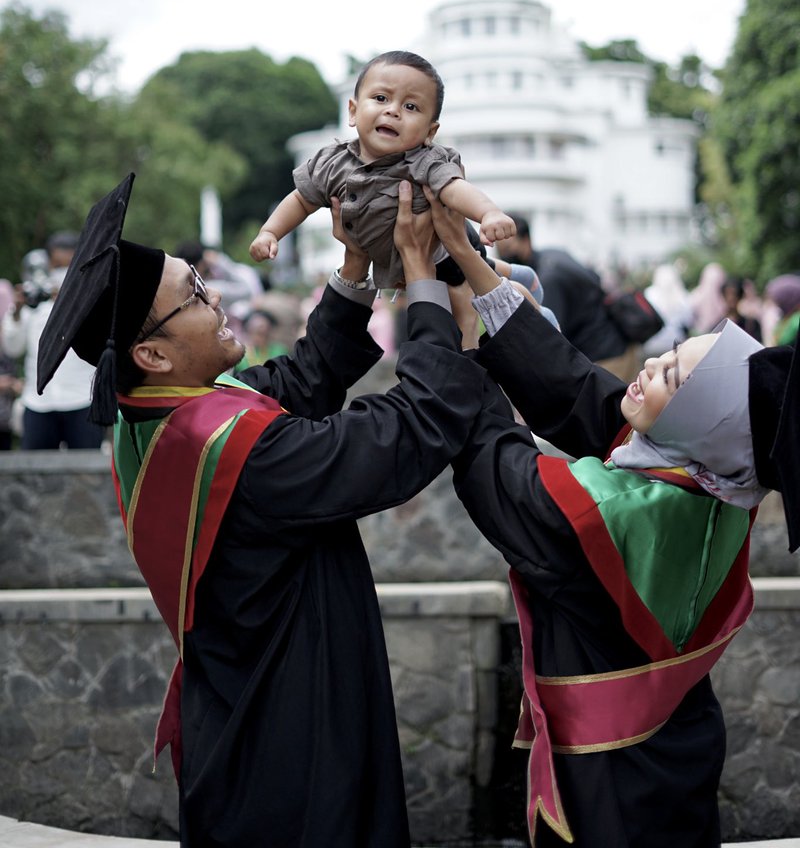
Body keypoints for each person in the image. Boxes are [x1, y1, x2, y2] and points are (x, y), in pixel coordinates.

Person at [36, 173, 497, 848]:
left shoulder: (163, 417)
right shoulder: (232, 451)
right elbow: (402, 435)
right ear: (153, 353)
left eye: (200, 279)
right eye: (194, 296)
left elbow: (304, 377)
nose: (216, 295)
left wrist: (356, 264)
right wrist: (425, 283)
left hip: (238, 707)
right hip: (295, 737)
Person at [423, 188, 798, 848]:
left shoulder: (622, 514)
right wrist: (466, 260)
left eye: (672, 376)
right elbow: (572, 386)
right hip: (677, 744)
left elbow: (502, 476)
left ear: (699, 427)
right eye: (670, 352)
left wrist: (449, 336)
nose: (649, 363)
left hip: (615, 780)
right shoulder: (711, 479)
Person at [249, 50, 516, 288]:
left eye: (410, 106)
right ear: (352, 111)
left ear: (429, 131)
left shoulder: (425, 161)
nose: (393, 111)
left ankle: (523, 286)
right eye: (380, 98)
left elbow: (455, 189)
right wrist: (270, 232)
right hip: (395, 266)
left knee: (470, 299)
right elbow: (300, 200)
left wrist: (488, 213)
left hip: (442, 253)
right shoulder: (332, 163)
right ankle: (513, 275)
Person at [495, 213, 637, 380]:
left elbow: (549, 334)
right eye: (499, 251)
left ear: (526, 240)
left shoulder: (548, 279)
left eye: (508, 249)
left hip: (607, 356)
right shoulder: (554, 254)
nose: (503, 256)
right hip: (617, 346)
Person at [1, 231, 103, 450]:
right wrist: (17, 311)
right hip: (38, 401)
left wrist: (72, 300)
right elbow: (13, 347)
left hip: (81, 398)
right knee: (33, 475)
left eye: (67, 265)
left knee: (86, 474)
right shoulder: (34, 296)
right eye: (57, 266)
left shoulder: (92, 293)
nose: (61, 273)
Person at [721, 274, 763, 343]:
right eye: (728, 294)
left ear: (739, 296)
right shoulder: (719, 325)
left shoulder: (751, 324)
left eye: (734, 294)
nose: (731, 298)